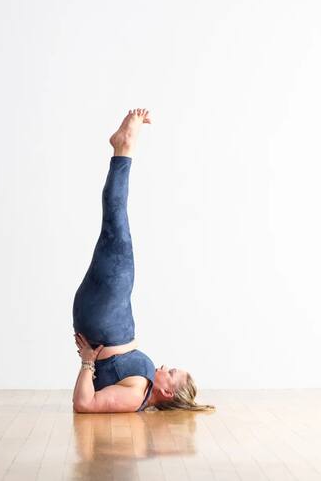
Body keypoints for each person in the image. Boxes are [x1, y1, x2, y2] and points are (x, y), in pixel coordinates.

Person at [72, 108, 215, 413]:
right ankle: (122, 148)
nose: (164, 366)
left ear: (167, 391)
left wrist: (87, 362)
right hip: (110, 314)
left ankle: (123, 148)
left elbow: (84, 404)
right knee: (114, 227)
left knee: (116, 223)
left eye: (171, 372)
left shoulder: (137, 394)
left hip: (107, 317)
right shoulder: (144, 385)